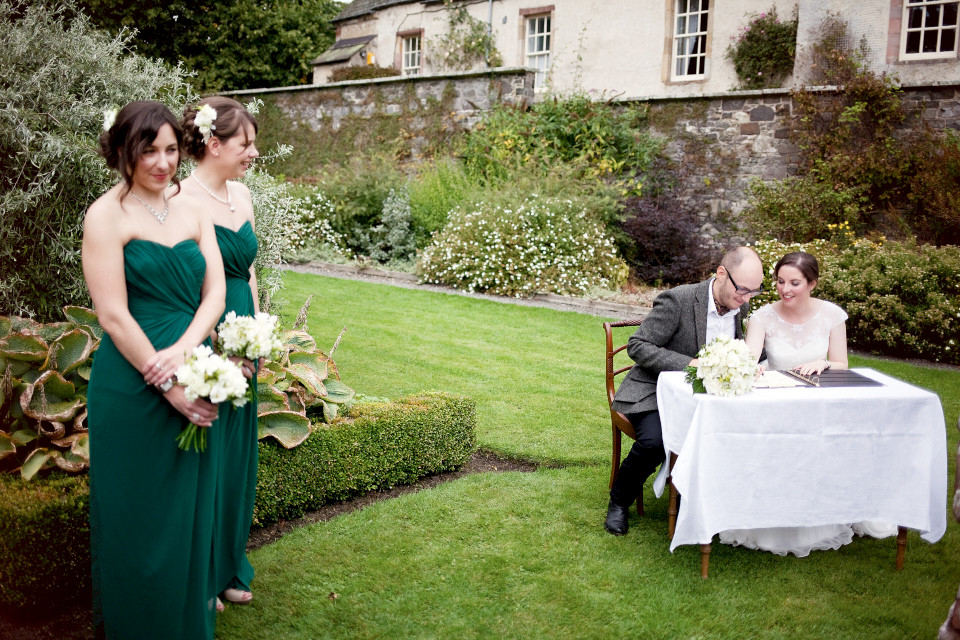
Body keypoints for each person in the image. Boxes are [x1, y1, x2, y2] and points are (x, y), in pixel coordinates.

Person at [83, 101, 226, 638]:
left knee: (185, 517)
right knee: (135, 519)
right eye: (150, 151)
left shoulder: (192, 209)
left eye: (171, 149)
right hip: (131, 385)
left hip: (193, 370)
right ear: (124, 151)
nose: (164, 163)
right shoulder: (105, 215)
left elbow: (214, 292)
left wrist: (190, 350)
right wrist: (166, 383)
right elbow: (113, 315)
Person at [720, 251, 896, 556]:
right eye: (780, 282)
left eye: (795, 283)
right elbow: (747, 360)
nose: (785, 289)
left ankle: (825, 511)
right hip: (776, 404)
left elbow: (842, 363)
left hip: (819, 402)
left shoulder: (832, 315)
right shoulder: (762, 317)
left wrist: (824, 362)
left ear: (812, 283)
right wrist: (753, 367)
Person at [604, 246, 765, 535]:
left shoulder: (741, 304)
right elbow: (638, 346)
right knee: (655, 442)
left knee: (742, 434)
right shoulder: (678, 300)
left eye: (754, 292)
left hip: (709, 398)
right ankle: (618, 502)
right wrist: (692, 364)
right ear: (720, 274)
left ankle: (709, 505)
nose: (746, 298)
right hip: (655, 389)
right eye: (742, 289)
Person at [180, 97, 260, 608]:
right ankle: (202, 574)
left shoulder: (244, 195)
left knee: (236, 460)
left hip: (246, 335)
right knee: (205, 460)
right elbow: (188, 283)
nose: (253, 152)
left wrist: (258, 335)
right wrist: (214, 348)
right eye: (245, 143)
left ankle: (231, 565)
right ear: (214, 143)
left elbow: (248, 271)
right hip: (205, 333)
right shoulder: (181, 198)